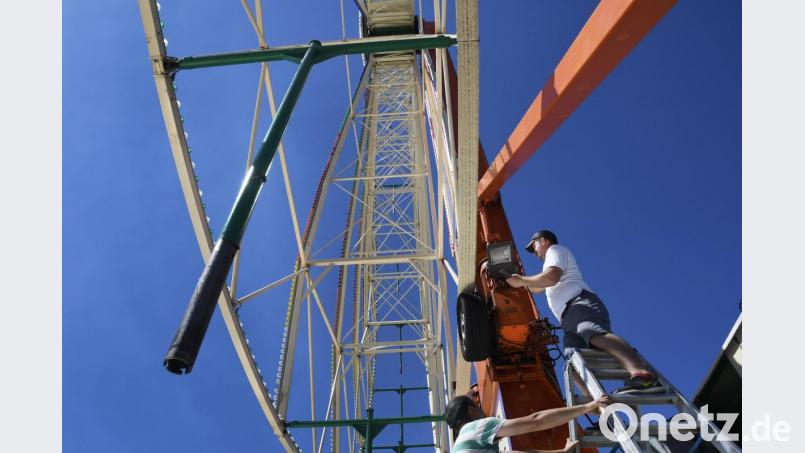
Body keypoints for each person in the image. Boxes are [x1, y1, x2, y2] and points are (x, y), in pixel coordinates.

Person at [505, 230, 662, 394]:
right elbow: (537, 287)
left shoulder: (555, 250)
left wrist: (522, 280)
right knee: (572, 360)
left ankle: (641, 373)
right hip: (568, 318)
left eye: (534, 246)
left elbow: (551, 278)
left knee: (593, 332)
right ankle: (598, 403)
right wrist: (518, 280)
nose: (534, 252)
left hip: (578, 303)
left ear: (543, 240)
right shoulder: (550, 261)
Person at [445, 393, 612, 453]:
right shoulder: (476, 427)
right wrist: (587, 406)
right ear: (471, 411)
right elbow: (536, 421)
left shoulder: (463, 444)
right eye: (477, 406)